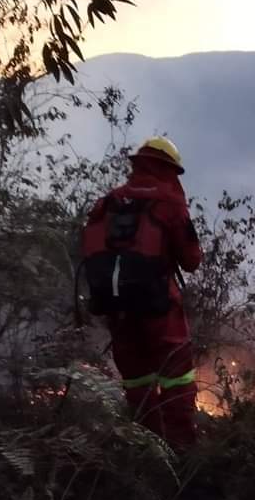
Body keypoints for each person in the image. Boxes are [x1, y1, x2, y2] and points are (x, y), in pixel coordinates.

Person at [80, 136, 203, 453]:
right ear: (170, 169)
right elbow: (191, 260)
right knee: (176, 376)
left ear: (138, 164)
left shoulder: (108, 201)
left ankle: (146, 450)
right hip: (159, 307)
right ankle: (180, 454)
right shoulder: (169, 203)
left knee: (136, 380)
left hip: (116, 307)